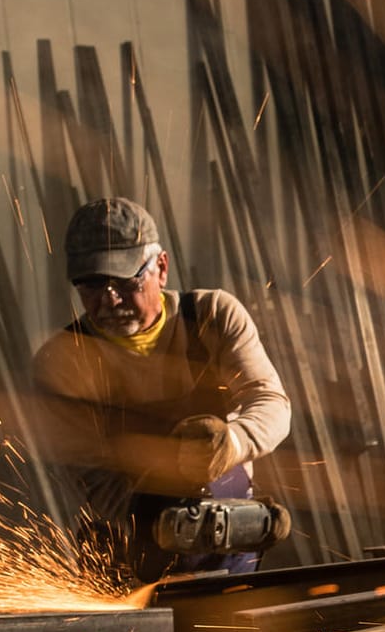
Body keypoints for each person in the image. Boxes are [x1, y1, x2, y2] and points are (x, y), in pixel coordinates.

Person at [32, 198, 291, 583]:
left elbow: (270, 403)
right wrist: (156, 523)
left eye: (124, 281)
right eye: (91, 286)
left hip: (228, 543)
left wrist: (232, 444)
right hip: (128, 553)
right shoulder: (64, 359)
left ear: (161, 268)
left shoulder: (212, 318)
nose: (109, 301)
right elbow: (89, 474)